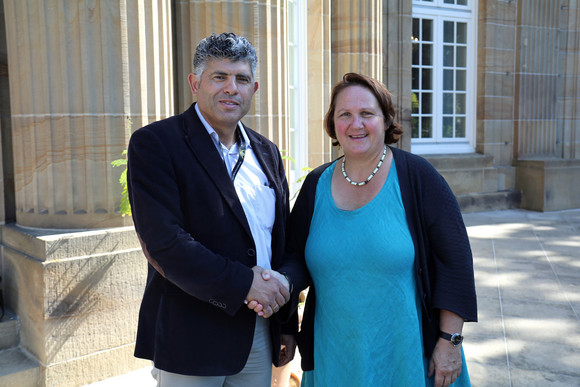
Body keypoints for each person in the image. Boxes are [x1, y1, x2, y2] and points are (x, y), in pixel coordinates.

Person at [282, 73, 478, 386]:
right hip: (336, 356)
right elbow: (293, 258)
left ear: (386, 121)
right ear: (333, 124)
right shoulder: (316, 184)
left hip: (406, 355)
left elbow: (454, 262)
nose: (355, 124)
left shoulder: (419, 178)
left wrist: (450, 341)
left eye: (367, 114)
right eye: (344, 114)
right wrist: (286, 326)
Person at [127, 32, 298, 386]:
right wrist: (245, 284)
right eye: (219, 77)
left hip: (259, 332)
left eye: (241, 79)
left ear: (255, 88)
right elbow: (165, 244)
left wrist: (284, 323)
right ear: (194, 83)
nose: (231, 88)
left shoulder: (267, 152)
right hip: (192, 337)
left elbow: (283, 243)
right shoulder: (156, 144)